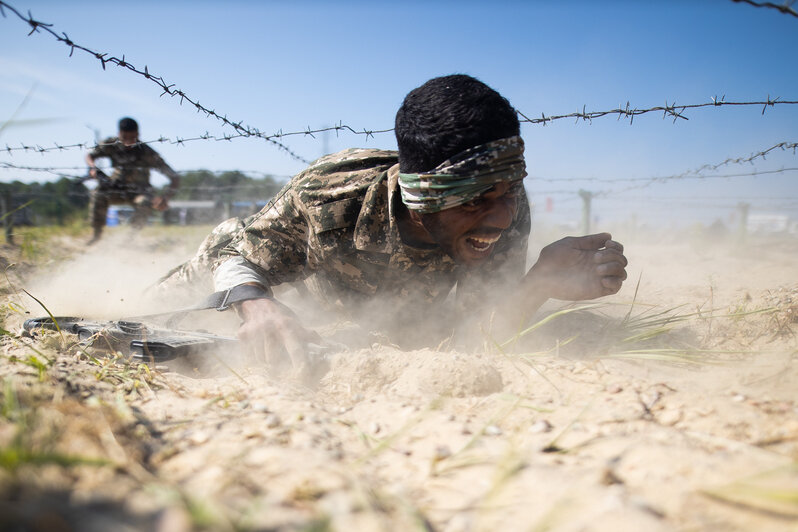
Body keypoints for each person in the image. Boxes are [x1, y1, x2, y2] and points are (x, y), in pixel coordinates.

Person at [158, 75, 627, 372]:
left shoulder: (505, 207)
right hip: (252, 270)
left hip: (359, 314)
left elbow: (481, 334)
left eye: (508, 191)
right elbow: (235, 257)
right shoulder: (331, 194)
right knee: (158, 312)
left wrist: (538, 282)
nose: (502, 216)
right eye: (478, 199)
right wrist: (259, 306)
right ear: (425, 196)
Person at [84, 117, 180, 243]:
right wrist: (93, 168)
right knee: (98, 193)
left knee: (145, 202)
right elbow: (90, 156)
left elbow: (174, 177)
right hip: (116, 188)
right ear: (119, 134)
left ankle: (129, 239)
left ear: (138, 135)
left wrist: (165, 198)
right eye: (125, 138)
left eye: (132, 138)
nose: (128, 142)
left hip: (139, 192)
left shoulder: (146, 152)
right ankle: (96, 235)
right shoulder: (111, 144)